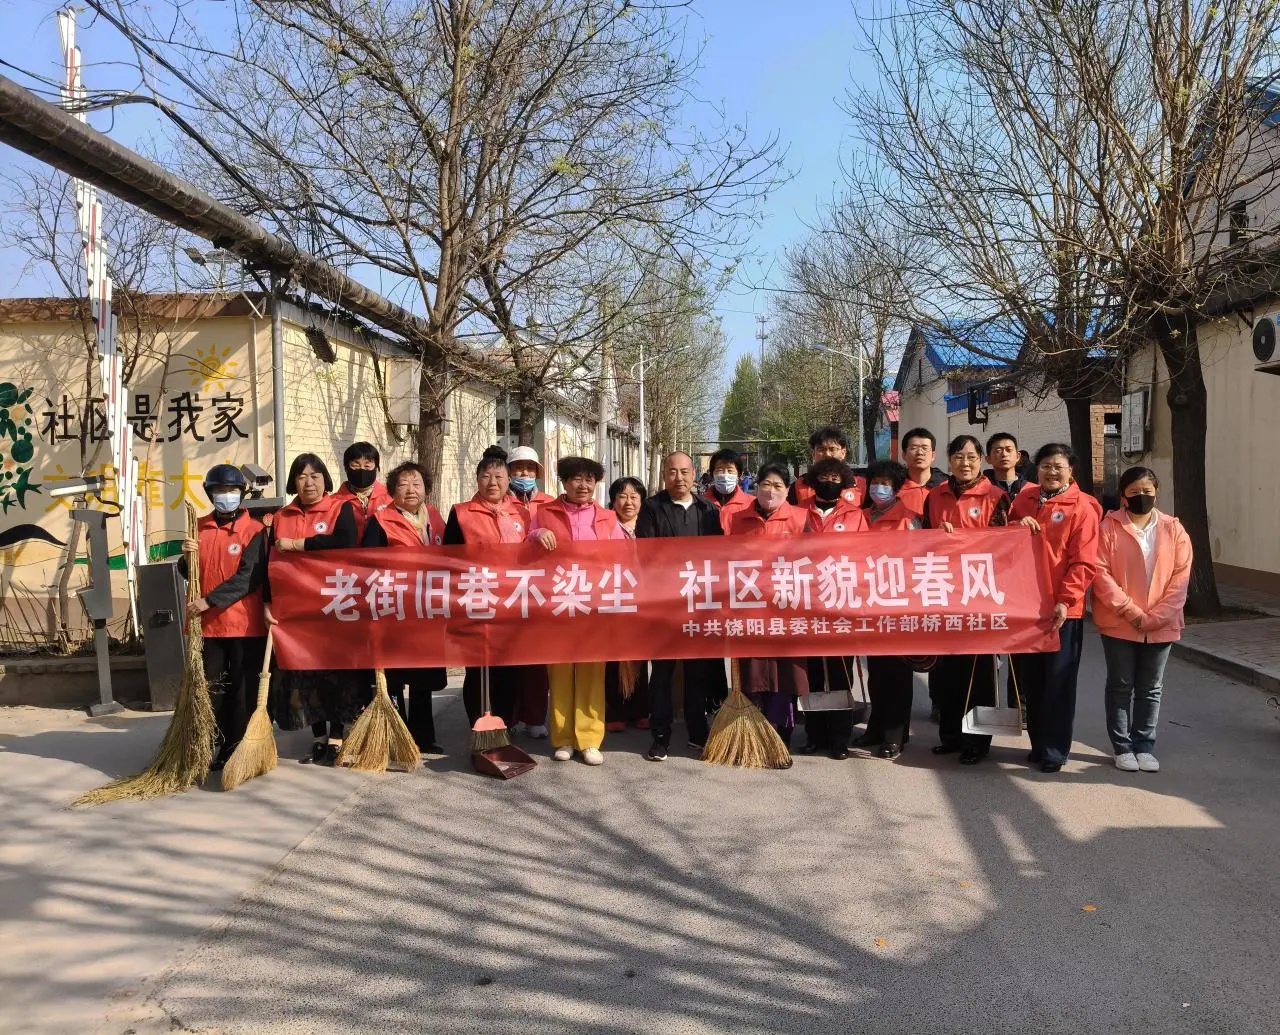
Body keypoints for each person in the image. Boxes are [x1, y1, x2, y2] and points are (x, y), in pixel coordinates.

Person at [1092, 467, 1192, 773]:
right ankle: (1122, 747)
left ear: (1156, 493)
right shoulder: (1108, 527)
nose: (1141, 497)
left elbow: (1180, 578)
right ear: (1123, 496)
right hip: (1119, 622)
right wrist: (1132, 612)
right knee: (1120, 685)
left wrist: (1158, 616)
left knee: (1151, 688)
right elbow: (1100, 574)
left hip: (1162, 624)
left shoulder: (1174, 529)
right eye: (1134, 492)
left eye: (1147, 491)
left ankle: (1145, 746)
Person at [1010, 443, 1101, 773]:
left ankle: (1055, 750)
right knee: (1033, 681)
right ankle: (1038, 745)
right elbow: (1003, 539)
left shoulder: (1082, 507)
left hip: (1063, 610)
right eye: (1045, 466)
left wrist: (1066, 600)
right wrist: (1016, 527)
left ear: (1070, 471)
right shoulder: (1025, 499)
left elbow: (1083, 562)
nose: (1051, 472)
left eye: (1058, 466)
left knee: (1058, 683)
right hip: (1027, 607)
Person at [267, 453, 361, 765]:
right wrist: (267, 603)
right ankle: (318, 736)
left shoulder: (339, 508)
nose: (309, 483)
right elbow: (269, 563)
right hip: (297, 611)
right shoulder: (281, 517)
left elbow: (345, 542)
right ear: (293, 482)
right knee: (305, 675)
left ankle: (337, 735)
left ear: (325, 480)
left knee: (337, 673)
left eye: (315, 476)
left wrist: (300, 544)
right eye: (302, 476)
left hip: (334, 605)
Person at [532, 456, 626, 764]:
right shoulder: (544, 513)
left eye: (589, 479)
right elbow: (523, 549)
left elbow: (620, 558)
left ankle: (589, 739)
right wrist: (535, 535)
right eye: (576, 478)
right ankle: (563, 738)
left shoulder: (608, 518)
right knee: (559, 671)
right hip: (557, 603)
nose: (582, 485)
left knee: (591, 671)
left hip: (593, 604)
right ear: (564, 482)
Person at [444, 446, 544, 734]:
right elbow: (449, 559)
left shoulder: (521, 513)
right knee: (478, 670)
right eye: (486, 477)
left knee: (508, 669)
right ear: (477, 480)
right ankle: (479, 727)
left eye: (499, 476)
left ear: (507, 479)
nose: (493, 482)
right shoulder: (462, 513)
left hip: (513, 602)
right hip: (476, 600)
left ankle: (505, 725)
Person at [636, 451, 728, 761]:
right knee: (662, 674)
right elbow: (646, 555)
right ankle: (660, 736)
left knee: (697, 673)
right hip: (664, 606)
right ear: (665, 474)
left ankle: (697, 733)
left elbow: (718, 554)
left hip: (698, 604)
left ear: (694, 474)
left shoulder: (708, 510)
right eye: (673, 472)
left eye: (685, 471)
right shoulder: (652, 508)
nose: (679, 478)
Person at [926, 435, 1011, 765]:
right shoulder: (935, 496)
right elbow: (922, 542)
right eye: (959, 456)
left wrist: (960, 541)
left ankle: (977, 742)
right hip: (944, 593)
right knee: (947, 671)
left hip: (980, 594)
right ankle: (950, 736)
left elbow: (1003, 546)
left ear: (981, 461)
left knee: (979, 673)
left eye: (972, 457)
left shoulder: (995, 497)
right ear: (949, 460)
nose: (965, 463)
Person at [183, 464, 268, 772]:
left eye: (232, 490)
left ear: (242, 494)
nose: (226, 496)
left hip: (244, 624)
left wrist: (209, 601)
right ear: (210, 494)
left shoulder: (254, 531)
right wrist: (186, 556)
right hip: (208, 626)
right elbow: (190, 572)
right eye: (219, 491)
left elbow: (249, 578)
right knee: (212, 688)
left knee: (243, 689)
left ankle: (236, 745)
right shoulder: (198, 528)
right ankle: (213, 740)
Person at [361, 461, 447, 754]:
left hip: (427, 611)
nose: (411, 489)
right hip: (395, 611)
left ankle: (424, 737)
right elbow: (367, 565)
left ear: (426, 489)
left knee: (423, 678)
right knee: (395, 677)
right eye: (403, 484)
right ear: (392, 490)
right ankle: (397, 737)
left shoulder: (434, 518)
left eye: (417, 483)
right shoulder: (381, 521)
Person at [726, 461, 809, 750]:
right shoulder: (737, 519)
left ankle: (782, 734)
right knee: (752, 671)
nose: (770, 491)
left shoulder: (800, 518)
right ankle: (751, 732)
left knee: (785, 673)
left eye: (777, 486)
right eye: (765, 484)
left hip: (787, 606)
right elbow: (725, 558)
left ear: (787, 490)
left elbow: (813, 558)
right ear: (756, 486)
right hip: (750, 607)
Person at [800, 456, 866, 759]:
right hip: (808, 602)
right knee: (814, 673)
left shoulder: (854, 515)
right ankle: (815, 735)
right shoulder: (799, 512)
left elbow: (865, 555)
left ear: (844, 482)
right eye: (823, 477)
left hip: (842, 602)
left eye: (835, 478)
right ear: (814, 480)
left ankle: (840, 738)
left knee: (840, 673)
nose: (829, 482)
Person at [855, 460, 922, 759]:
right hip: (868, 602)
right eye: (875, 482)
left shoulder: (909, 519)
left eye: (886, 483)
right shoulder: (861, 517)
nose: (879, 487)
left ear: (896, 488)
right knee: (877, 670)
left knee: (897, 672)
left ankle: (895, 734)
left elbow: (920, 559)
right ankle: (876, 727)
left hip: (899, 602)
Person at [605, 476, 650, 732]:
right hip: (614, 597)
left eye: (634, 497)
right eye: (622, 496)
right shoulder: (605, 526)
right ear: (613, 501)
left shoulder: (648, 525)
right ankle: (615, 711)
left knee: (640, 657)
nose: (628, 502)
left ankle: (641, 709)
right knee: (614, 657)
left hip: (644, 599)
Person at [789, 426, 866, 510]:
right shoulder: (799, 486)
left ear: (843, 453)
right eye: (821, 449)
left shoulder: (861, 486)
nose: (827, 454)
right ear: (813, 453)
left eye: (832, 449)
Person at [332, 441, 392, 540]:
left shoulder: (390, 498)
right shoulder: (334, 502)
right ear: (346, 468)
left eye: (367, 466)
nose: (362, 470)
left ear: (376, 468)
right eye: (356, 466)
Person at [897, 427, 946, 518]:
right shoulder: (894, 486)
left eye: (924, 448)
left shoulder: (946, 485)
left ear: (933, 455)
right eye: (914, 448)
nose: (920, 452)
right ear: (904, 455)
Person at [703, 447, 755, 532]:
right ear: (712, 474)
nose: (725, 475)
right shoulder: (700, 503)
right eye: (720, 470)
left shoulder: (752, 504)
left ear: (739, 474)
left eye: (730, 470)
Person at [507, 445, 556, 518]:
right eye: (519, 468)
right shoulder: (500, 501)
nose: (525, 473)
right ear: (509, 472)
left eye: (530, 468)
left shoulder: (549, 502)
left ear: (536, 472)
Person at [985, 432, 1030, 501]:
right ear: (988, 459)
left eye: (1009, 450)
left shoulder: (1031, 489)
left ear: (1018, 456)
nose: (1004, 454)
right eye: (998, 451)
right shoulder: (981, 490)